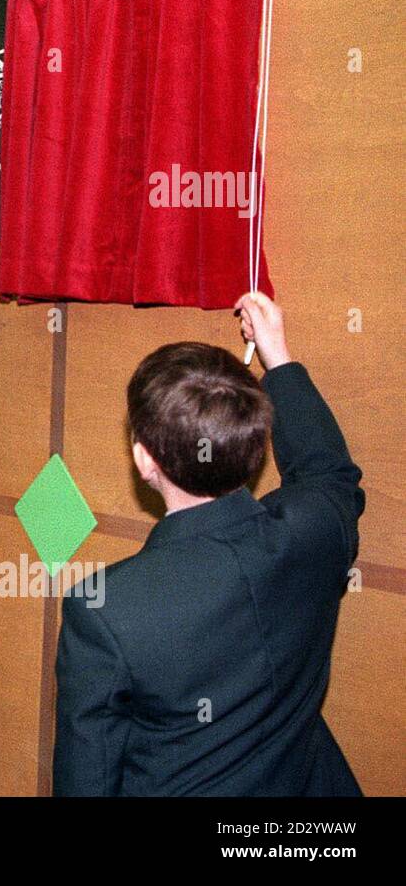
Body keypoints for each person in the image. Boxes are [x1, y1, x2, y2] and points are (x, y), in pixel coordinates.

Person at [53, 292, 364, 796]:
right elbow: (327, 470)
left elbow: (87, 782)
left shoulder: (106, 610)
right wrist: (276, 357)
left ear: (144, 460)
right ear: (256, 440)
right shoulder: (316, 532)